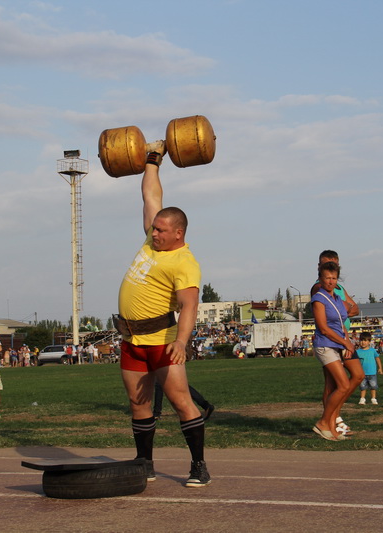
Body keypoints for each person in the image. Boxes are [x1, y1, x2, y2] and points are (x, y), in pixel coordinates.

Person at [113, 141, 209, 487]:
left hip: (163, 342)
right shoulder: (151, 242)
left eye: (160, 231)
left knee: (182, 403)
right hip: (131, 340)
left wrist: (182, 341)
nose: (153, 233)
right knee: (138, 404)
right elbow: (150, 195)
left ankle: (198, 465)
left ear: (178, 233)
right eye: (153, 229)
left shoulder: (184, 262)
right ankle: (145, 463)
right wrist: (154, 159)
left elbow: (189, 306)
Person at [310, 250, 363, 435]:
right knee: (334, 385)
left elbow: (354, 309)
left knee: (357, 376)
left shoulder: (338, 294)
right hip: (328, 342)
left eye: (334, 275)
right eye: (327, 274)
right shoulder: (319, 292)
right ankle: (329, 421)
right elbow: (324, 326)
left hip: (342, 341)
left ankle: (332, 420)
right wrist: (344, 341)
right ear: (320, 272)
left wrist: (347, 342)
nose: (331, 279)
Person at [356, 332, 383, 405]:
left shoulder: (372, 351)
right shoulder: (357, 352)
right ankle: (362, 399)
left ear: (369, 342)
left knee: (373, 386)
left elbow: (377, 359)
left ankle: (373, 398)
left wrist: (380, 368)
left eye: (365, 340)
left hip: (372, 372)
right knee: (362, 387)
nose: (363, 342)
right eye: (361, 340)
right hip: (362, 373)